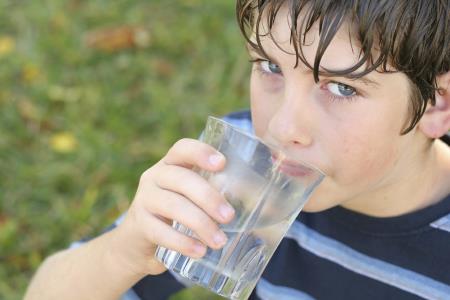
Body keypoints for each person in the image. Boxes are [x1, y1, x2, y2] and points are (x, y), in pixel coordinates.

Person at [25, 0, 450, 299]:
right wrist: (125, 249)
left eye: (342, 88)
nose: (284, 128)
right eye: (270, 67)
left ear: (437, 105)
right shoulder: (243, 169)